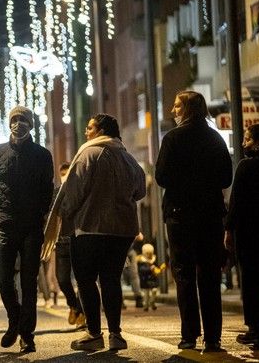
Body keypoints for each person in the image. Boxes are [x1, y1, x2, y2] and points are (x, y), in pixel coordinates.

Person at [55, 114, 145, 352]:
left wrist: (64, 215)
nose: (87, 132)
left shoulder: (88, 153)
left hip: (90, 227)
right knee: (111, 279)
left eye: (90, 127)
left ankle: (94, 333)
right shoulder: (127, 157)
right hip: (122, 230)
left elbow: (74, 191)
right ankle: (115, 333)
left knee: (85, 280)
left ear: (101, 130)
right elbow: (140, 190)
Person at [155, 90, 232, 353]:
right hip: (210, 215)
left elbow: (162, 176)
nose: (173, 110)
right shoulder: (215, 139)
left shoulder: (173, 138)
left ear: (187, 109)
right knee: (209, 275)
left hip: (180, 214)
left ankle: (189, 335)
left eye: (177, 106)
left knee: (184, 274)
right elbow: (225, 179)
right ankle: (213, 337)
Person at [0, 106, 54, 353]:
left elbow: (47, 190)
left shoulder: (42, 155)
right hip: (4, 224)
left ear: (31, 125)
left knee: (29, 281)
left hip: (32, 226)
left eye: (23, 120)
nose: (18, 123)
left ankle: (26, 335)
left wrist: (42, 216)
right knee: (3, 279)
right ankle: (15, 321)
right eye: (14, 119)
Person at [225, 124, 259, 349]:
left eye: (247, 139)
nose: (243, 144)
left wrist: (228, 230)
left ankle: (255, 330)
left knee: (252, 282)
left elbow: (236, 202)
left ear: (258, 143)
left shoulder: (246, 166)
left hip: (250, 233)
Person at [53, 162, 85, 328]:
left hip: (78, 238)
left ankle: (82, 310)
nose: (64, 178)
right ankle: (74, 306)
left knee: (82, 278)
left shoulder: (79, 192)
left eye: (68, 175)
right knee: (62, 279)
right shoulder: (56, 193)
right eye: (62, 175)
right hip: (61, 241)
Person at [137, 243, 166, 312]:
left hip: (153, 279)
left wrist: (160, 268)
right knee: (146, 294)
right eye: (147, 253)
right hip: (145, 280)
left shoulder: (154, 259)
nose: (149, 255)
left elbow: (157, 267)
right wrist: (150, 269)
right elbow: (141, 270)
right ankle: (146, 305)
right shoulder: (141, 260)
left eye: (150, 253)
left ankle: (152, 302)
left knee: (154, 290)